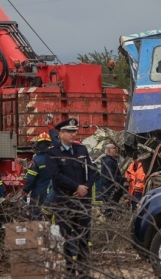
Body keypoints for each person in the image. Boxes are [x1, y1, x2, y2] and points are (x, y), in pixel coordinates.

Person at [44, 118, 97, 278]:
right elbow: (56, 176)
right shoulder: (52, 152)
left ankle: (83, 272)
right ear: (60, 134)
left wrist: (85, 187)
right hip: (64, 202)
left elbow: (93, 170)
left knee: (84, 238)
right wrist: (76, 187)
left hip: (82, 202)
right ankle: (70, 272)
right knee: (67, 238)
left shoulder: (81, 150)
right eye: (70, 131)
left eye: (74, 131)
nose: (74, 134)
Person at [22, 132, 53, 220]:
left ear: (38, 145)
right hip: (52, 193)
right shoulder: (54, 159)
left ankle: (38, 233)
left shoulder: (36, 161)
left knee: (36, 216)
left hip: (38, 194)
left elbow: (30, 179)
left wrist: (25, 190)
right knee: (50, 216)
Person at [98, 143, 125, 218]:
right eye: (114, 148)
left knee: (110, 209)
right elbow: (110, 176)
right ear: (109, 150)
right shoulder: (109, 161)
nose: (116, 150)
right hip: (110, 190)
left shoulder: (110, 161)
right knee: (109, 210)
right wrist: (124, 179)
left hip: (109, 189)